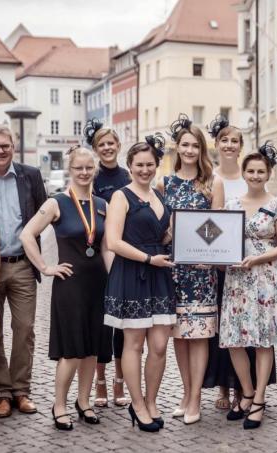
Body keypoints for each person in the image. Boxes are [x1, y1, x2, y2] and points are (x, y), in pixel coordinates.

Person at [19, 146, 109, 430]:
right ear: (70, 170)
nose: (84, 172)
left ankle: (84, 402)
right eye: (78, 168)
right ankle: (59, 405)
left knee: (92, 349)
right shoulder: (56, 203)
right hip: (70, 285)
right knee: (71, 350)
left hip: (98, 284)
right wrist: (45, 267)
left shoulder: (102, 204)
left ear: (95, 170)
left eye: (89, 168)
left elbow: (106, 247)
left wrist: (114, 277)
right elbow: (27, 234)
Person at [203, 115, 277, 411]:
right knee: (229, 332)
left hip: (258, 270)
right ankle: (227, 386)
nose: (229, 145)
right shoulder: (212, 178)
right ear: (216, 144)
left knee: (256, 334)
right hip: (228, 266)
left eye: (235, 141)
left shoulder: (260, 186)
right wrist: (208, 255)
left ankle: (250, 393)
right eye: (225, 140)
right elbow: (210, 226)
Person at [103, 134, 175, 433]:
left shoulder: (159, 195)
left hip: (160, 274)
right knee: (133, 344)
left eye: (150, 164)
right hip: (134, 272)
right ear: (130, 166)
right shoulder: (121, 196)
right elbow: (113, 241)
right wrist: (148, 258)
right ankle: (138, 404)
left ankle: (152, 400)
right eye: (139, 165)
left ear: (156, 166)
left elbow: (163, 235)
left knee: (159, 345)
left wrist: (174, 236)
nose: (145, 170)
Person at [220, 143, 277, 430]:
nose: (255, 175)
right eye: (250, 171)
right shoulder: (232, 205)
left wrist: (259, 258)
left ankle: (259, 399)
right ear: (244, 173)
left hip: (264, 279)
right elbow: (217, 240)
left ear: (268, 173)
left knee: (263, 341)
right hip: (236, 280)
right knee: (234, 340)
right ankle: (247, 392)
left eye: (261, 171)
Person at [0, 124, 47, 418]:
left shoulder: (30, 175)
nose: (0, 150)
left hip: (22, 265)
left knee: (25, 329)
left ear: (13, 147)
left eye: (5, 145)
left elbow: (45, 213)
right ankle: (1, 394)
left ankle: (21, 391)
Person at [158, 114, 222, 424]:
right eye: (185, 145)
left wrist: (197, 241)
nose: (189, 150)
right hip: (173, 270)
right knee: (180, 336)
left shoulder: (212, 182)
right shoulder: (165, 183)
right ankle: (185, 393)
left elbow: (219, 227)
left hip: (201, 270)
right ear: (177, 147)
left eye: (195, 146)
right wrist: (170, 232)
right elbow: (159, 229)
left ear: (202, 149)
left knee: (198, 335)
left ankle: (196, 397)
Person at [86, 119, 132, 408]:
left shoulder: (128, 176)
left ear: (118, 145)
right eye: (101, 144)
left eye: (110, 143)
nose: (106, 148)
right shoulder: (91, 177)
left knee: (123, 325)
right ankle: (100, 381)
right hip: (96, 255)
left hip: (124, 254)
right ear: (95, 149)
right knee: (102, 323)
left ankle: (119, 381)